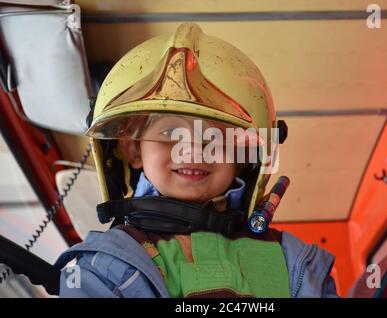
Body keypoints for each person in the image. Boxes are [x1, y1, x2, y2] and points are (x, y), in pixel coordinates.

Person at [55, 23, 338, 298]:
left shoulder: (296, 261)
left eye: (214, 136)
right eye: (170, 132)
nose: (192, 149)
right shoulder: (103, 267)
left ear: (243, 157)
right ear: (133, 150)